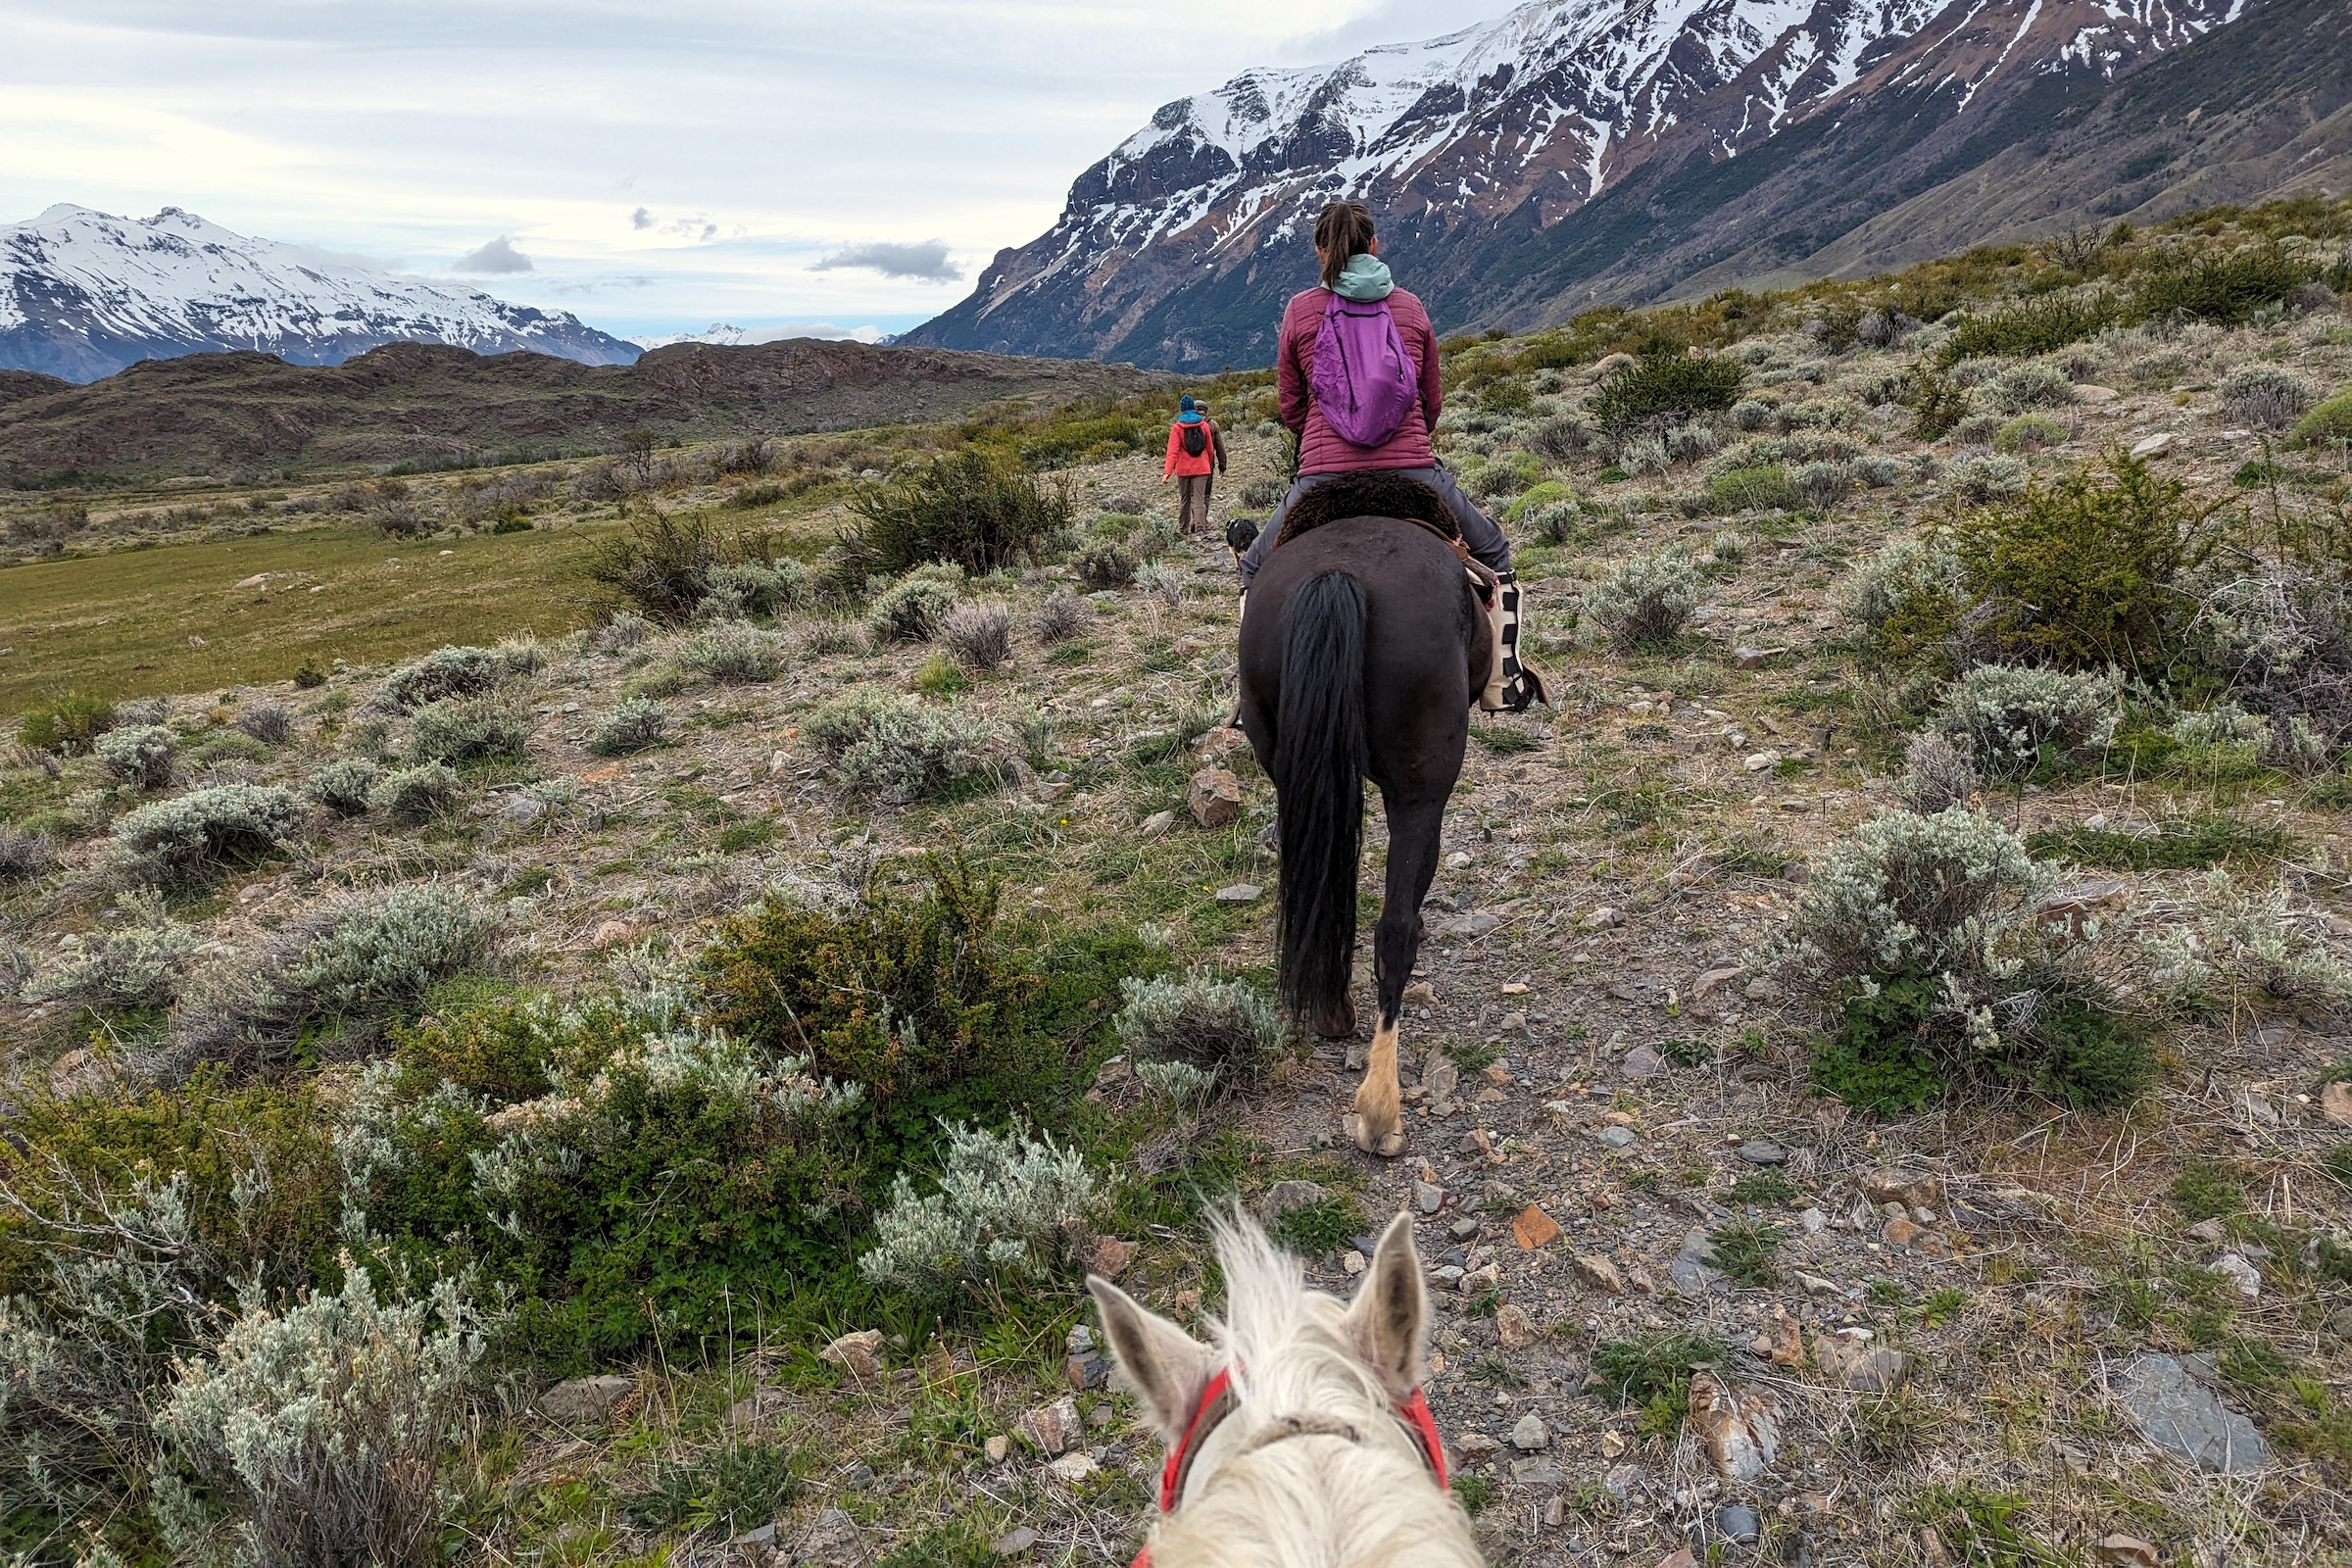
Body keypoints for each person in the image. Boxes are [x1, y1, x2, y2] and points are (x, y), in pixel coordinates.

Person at [1235, 199, 1543, 711]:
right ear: (1375, 246)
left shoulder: (1300, 310)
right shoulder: (1410, 307)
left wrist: (1315, 444)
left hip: (1323, 477)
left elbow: (1291, 402)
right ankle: (1500, 685)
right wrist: (1414, 445)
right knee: (1494, 551)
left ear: (1320, 251)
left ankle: (1254, 701)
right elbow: (1430, 398)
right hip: (1413, 471)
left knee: (1254, 570)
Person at [1160, 393, 1226, 534]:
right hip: (1202, 468)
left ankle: (1183, 529)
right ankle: (1200, 529)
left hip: (1183, 469)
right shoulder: (1204, 425)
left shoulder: (1177, 428)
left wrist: (1167, 472)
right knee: (1199, 499)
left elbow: (1172, 452)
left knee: (1185, 499)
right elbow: (1209, 448)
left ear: (1182, 409)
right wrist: (1207, 463)